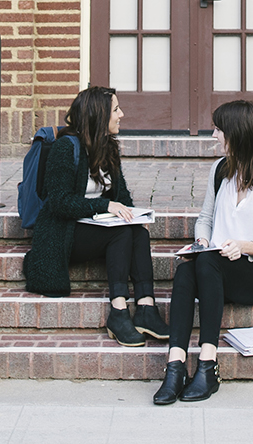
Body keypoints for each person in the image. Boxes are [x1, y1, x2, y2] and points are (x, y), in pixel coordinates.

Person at [152, 100, 253, 405]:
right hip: (213, 265)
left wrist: (244, 247)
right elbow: (205, 219)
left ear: (237, 134)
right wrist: (202, 242)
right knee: (189, 266)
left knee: (204, 263)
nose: (214, 135)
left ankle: (207, 362)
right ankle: (175, 366)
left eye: (219, 129)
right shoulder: (219, 171)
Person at [22, 86, 167, 347]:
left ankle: (146, 307)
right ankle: (119, 311)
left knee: (136, 230)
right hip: (64, 232)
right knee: (121, 231)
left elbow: (121, 195)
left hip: (96, 226)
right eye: (116, 110)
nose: (121, 114)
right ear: (99, 115)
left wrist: (135, 215)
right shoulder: (66, 148)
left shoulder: (108, 147)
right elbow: (58, 202)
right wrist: (104, 206)